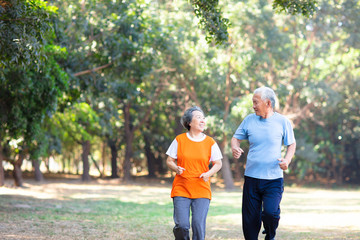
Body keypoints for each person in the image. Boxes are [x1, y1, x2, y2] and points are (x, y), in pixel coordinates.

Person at [231, 87, 296, 240]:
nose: (253, 106)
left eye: (255, 102)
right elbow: (236, 138)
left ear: (268, 103)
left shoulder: (282, 121)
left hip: (273, 179)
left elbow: (291, 145)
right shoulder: (249, 120)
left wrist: (287, 160)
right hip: (252, 178)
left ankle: (270, 235)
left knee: (270, 213)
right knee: (250, 221)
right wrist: (235, 147)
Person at [166, 106, 223, 240]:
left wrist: (208, 173)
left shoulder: (210, 142)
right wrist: (176, 168)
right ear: (189, 122)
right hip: (181, 188)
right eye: (198, 117)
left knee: (198, 225)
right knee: (182, 225)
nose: (202, 120)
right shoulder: (179, 140)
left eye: (203, 118)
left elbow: (218, 163)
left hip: (201, 189)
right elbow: (169, 160)